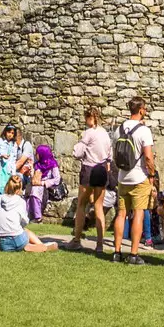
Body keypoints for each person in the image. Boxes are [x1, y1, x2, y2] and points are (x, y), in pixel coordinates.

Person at [110, 96, 156, 266]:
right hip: (139, 177)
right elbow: (148, 157)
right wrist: (152, 174)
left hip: (123, 177)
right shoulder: (144, 131)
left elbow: (115, 153)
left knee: (121, 214)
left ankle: (116, 252)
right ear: (141, 110)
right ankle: (134, 254)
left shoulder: (119, 129)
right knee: (138, 213)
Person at [69, 106, 113, 252]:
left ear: (90, 118)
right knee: (99, 206)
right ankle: (100, 244)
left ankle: (76, 239)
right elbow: (109, 155)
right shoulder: (105, 134)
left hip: (89, 168)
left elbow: (77, 152)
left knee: (82, 203)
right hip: (102, 169)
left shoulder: (89, 133)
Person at [0, 174, 56, 252]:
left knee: (16, 234)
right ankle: (41, 245)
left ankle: (26, 246)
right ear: (20, 188)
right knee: (26, 231)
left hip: (3, 244)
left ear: (7, 185)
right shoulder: (20, 201)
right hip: (18, 238)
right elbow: (25, 221)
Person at [26, 143, 59, 221]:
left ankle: (37, 217)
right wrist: (31, 170)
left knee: (34, 192)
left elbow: (57, 179)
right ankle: (27, 215)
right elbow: (33, 177)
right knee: (27, 192)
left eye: (37, 153)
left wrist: (43, 183)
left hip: (46, 186)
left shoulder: (53, 164)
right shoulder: (37, 164)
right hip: (36, 184)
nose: (36, 155)